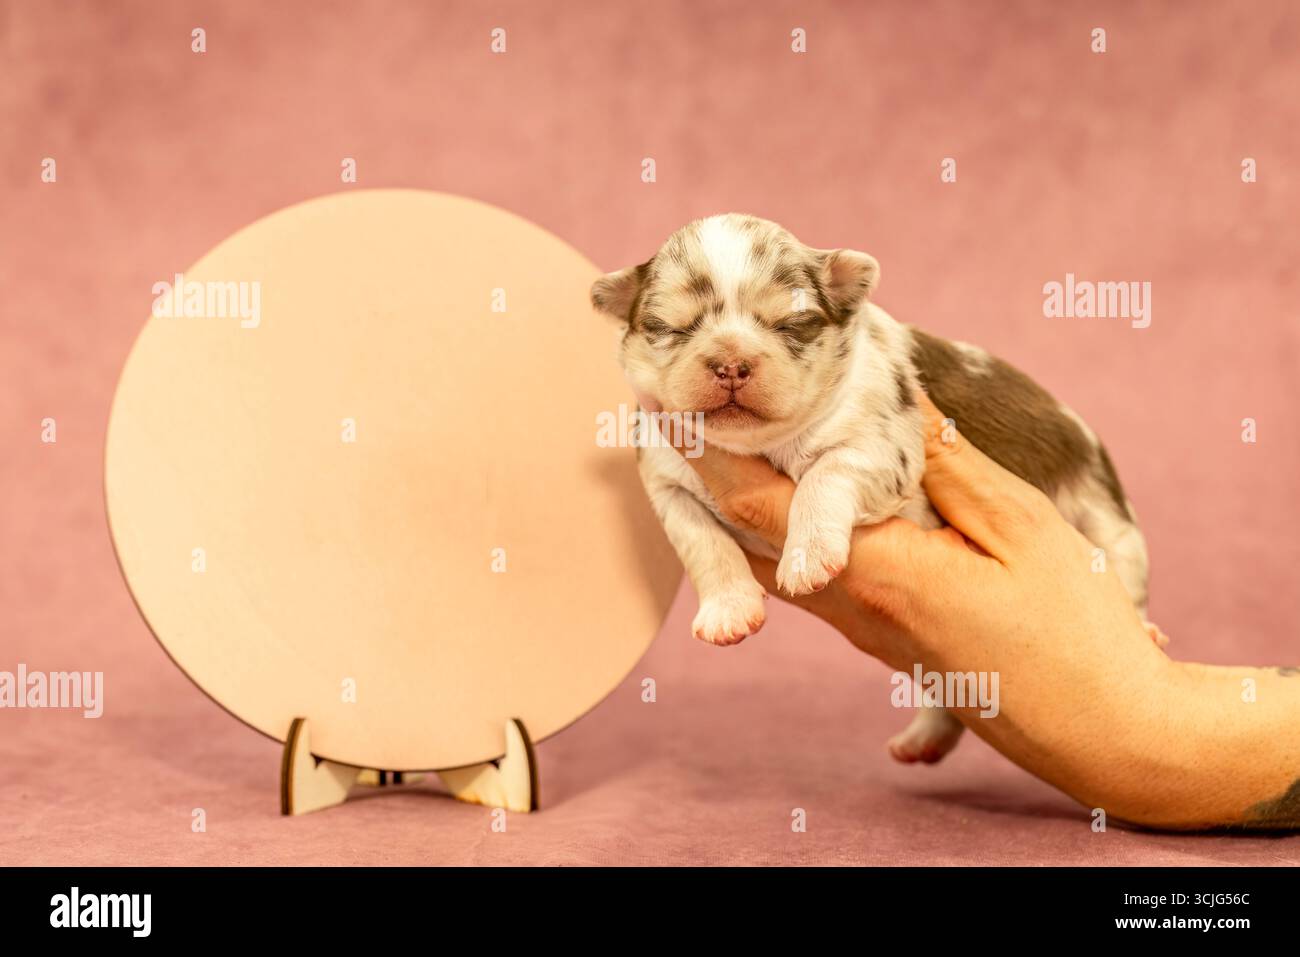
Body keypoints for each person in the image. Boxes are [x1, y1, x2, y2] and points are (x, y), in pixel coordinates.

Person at [671, 392, 1300, 831]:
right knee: (941, 618)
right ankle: (956, 700)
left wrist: (1143, 720)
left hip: (1063, 503)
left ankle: (1118, 621)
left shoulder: (858, 391)